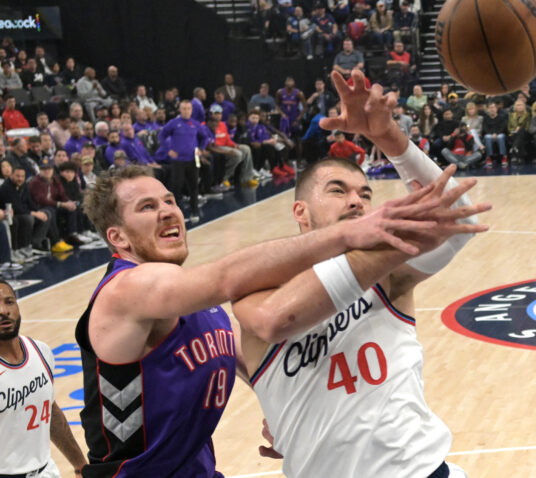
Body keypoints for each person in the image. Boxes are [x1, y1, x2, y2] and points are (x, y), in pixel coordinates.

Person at [75, 158, 459, 476]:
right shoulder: (127, 290)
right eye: (147, 207)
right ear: (118, 238)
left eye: (169, 200)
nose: (167, 211)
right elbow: (229, 278)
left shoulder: (189, 296)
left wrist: (293, 424)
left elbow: (250, 363)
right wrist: (349, 235)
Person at [236, 69, 489, 478]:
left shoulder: (388, 275)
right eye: (338, 190)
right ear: (300, 212)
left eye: (365, 194)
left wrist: (388, 137)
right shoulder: (258, 291)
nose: (356, 201)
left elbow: (454, 222)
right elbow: (274, 322)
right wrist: (283, 415)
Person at [0, 280, 88, 477]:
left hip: (46, 471)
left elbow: (49, 409)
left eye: (9, 302)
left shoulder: (40, 350)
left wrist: (80, 464)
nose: (3, 310)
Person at [158, 100, 209, 222]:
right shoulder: (174, 123)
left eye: (188, 109)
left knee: (194, 186)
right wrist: (168, 149)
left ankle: (194, 211)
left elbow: (205, 137)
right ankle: (178, 214)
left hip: (193, 159)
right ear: (180, 110)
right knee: (177, 187)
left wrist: (201, 149)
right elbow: (161, 136)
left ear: (191, 110)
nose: (186, 111)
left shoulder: (195, 124)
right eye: (184, 108)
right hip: (178, 160)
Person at [482, 102, 508, 166]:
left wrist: (496, 133)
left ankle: (504, 157)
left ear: (496, 109)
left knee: (500, 137)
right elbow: (485, 129)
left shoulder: (502, 117)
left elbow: (503, 128)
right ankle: (489, 157)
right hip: (490, 134)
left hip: (500, 134)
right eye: (490, 108)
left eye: (493, 107)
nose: (492, 109)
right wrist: (491, 134)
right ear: (488, 109)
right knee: (487, 137)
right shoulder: (485, 118)